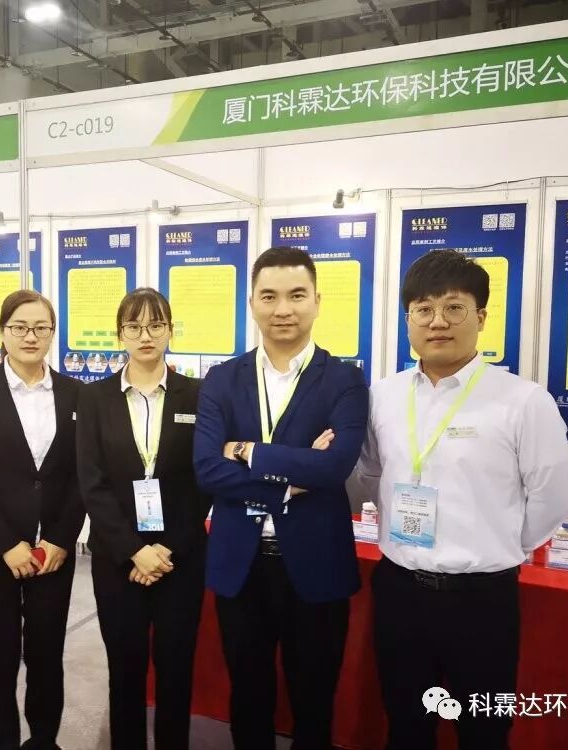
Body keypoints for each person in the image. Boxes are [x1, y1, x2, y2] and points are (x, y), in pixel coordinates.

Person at [356, 250, 568, 750]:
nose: (438, 322)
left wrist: (495, 544)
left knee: (484, 731)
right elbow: (370, 473)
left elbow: (550, 498)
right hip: (400, 590)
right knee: (406, 724)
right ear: (408, 319)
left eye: (454, 308)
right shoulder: (382, 396)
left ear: (481, 317)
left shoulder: (523, 401)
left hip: (482, 599)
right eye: (424, 309)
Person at [193, 247, 368, 750]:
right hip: (241, 563)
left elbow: (334, 467)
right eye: (269, 296)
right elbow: (207, 469)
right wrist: (290, 477)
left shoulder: (344, 379)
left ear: (317, 301)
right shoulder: (223, 379)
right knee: (248, 694)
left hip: (316, 561)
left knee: (314, 697)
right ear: (252, 303)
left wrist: (246, 450)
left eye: (296, 295)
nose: (283, 309)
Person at [76, 287, 210, 750]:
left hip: (180, 559)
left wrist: (166, 548)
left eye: (156, 325)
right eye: (134, 326)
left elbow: (203, 481)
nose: (145, 335)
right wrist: (134, 550)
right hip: (118, 560)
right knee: (125, 670)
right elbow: (91, 482)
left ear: (171, 330)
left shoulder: (198, 395)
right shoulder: (94, 398)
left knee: (176, 669)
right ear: (120, 335)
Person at [0, 290, 85, 750]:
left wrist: (61, 540)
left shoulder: (75, 394)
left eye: (41, 328)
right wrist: (7, 545)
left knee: (47, 657)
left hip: (53, 554)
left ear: (52, 333)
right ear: (2, 332)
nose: (31, 336)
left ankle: (44, 741)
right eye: (20, 327)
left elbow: (83, 476)